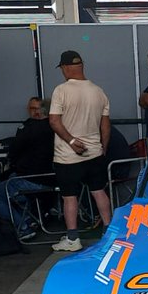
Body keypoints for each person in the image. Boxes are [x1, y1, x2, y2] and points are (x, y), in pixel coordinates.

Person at [48, 51, 112, 253]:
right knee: (98, 191)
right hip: (94, 153)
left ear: (65, 68)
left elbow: (54, 121)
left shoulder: (61, 90)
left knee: (70, 197)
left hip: (67, 156)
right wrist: (102, 149)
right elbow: (106, 127)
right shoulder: (99, 91)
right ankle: (109, 232)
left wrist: (72, 141)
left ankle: (73, 239)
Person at [0, 96, 54, 240]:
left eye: (33, 108)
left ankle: (23, 226)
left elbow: (14, 151)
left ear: (38, 112)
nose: (30, 111)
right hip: (52, 180)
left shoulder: (29, 128)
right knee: (12, 182)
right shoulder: (56, 127)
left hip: (30, 179)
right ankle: (29, 219)